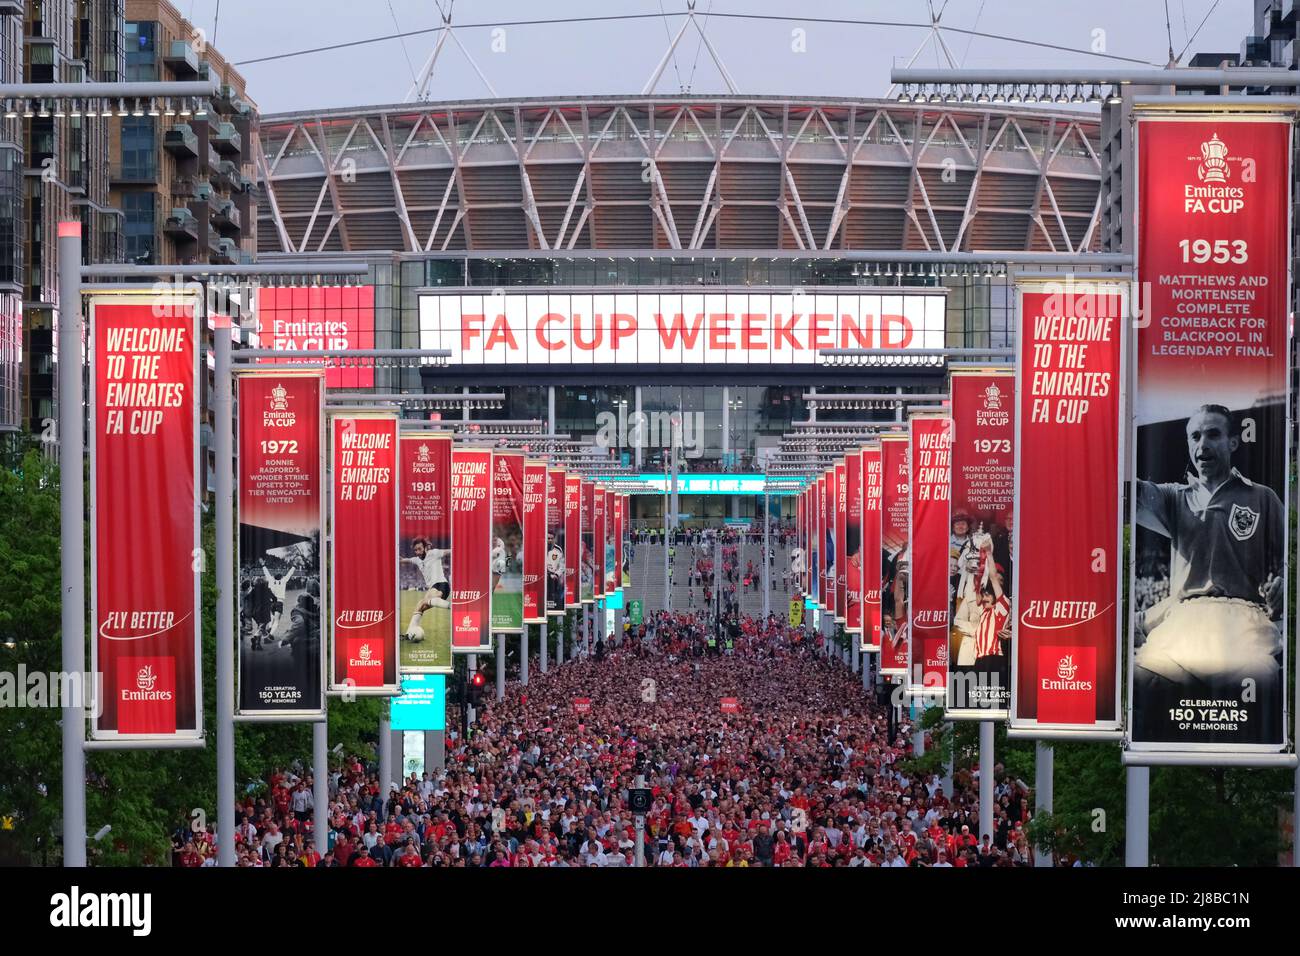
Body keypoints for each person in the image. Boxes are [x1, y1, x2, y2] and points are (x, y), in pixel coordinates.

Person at [1134, 405, 1284, 741]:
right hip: (1184, 620)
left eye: (1213, 434)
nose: (1203, 445)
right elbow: (1124, 490)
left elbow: (1288, 560)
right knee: (1142, 679)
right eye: (1195, 436)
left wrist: (1283, 586)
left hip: (1243, 620)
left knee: (1263, 685)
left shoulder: (1262, 498)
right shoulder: (1174, 497)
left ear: (1233, 442)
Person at [402, 537, 451, 641]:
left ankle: (453, 607)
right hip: (433, 588)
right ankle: (408, 634)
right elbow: (404, 560)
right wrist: (397, 558)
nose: (418, 552)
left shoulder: (434, 553)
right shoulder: (417, 560)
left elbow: (450, 551)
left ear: (425, 548)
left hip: (441, 585)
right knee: (420, 605)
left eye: (420, 549)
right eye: (415, 550)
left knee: (425, 600)